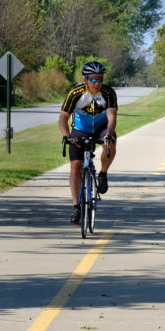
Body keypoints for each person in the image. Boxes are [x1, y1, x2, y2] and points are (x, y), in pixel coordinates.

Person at [58, 61, 118, 224]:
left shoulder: (109, 93)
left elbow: (112, 116)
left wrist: (109, 134)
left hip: (101, 128)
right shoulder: (75, 92)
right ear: (86, 79)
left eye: (100, 78)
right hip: (80, 129)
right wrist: (66, 136)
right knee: (76, 167)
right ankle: (76, 207)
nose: (97, 82)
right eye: (93, 79)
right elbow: (63, 117)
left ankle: (103, 174)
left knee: (110, 142)